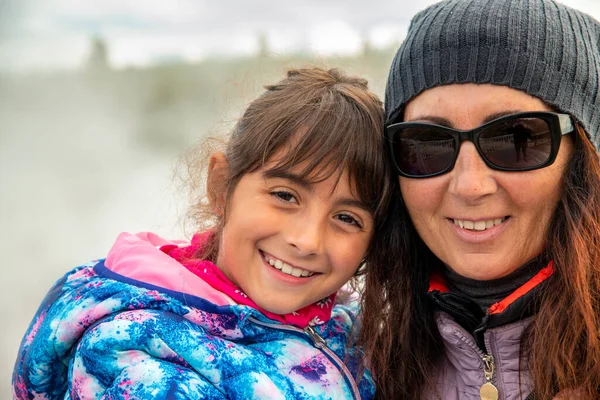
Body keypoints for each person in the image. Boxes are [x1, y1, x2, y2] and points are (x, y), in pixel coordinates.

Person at [12, 67, 391, 400]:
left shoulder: (345, 319)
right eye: (285, 195)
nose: (308, 241)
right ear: (221, 186)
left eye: (347, 218)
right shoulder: (148, 366)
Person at [359, 0, 600, 399]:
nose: (470, 186)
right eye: (427, 144)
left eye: (517, 139)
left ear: (584, 154)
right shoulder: (355, 370)